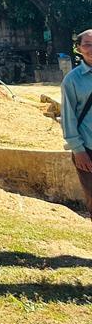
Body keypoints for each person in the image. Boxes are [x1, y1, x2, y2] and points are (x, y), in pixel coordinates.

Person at [60, 29, 92, 217]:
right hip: (87, 150)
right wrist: (78, 150)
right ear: (79, 48)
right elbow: (68, 117)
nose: (91, 49)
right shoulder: (72, 80)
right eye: (87, 44)